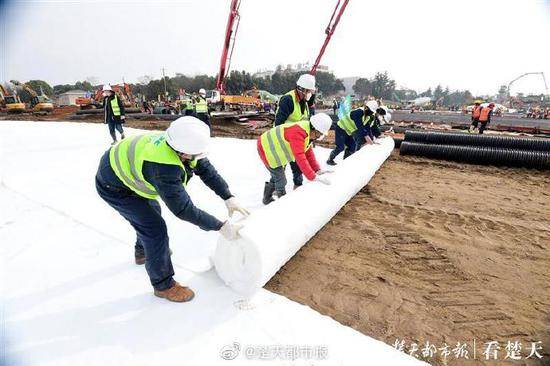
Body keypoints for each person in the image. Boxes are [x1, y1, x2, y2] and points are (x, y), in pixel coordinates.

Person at [95, 116, 248, 302]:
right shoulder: (163, 168)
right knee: (154, 228)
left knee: (150, 215)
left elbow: (206, 169)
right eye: (196, 155)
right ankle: (163, 285)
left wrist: (228, 197)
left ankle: (143, 252)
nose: (199, 158)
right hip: (115, 186)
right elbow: (183, 209)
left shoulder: (181, 143)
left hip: (129, 171)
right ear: (183, 153)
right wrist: (220, 226)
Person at [258, 113, 333, 204]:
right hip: (267, 150)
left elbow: (308, 152)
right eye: (319, 134)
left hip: (274, 149)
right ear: (314, 128)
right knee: (281, 180)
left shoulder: (306, 130)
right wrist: (312, 176)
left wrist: (317, 169)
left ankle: (266, 199)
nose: (318, 137)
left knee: (276, 177)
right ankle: (282, 203)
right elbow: (300, 157)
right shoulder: (298, 132)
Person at [274, 73, 316, 189]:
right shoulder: (288, 100)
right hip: (283, 139)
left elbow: (306, 121)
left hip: (297, 140)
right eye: (308, 92)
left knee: (298, 168)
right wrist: (280, 141)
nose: (310, 95)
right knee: (279, 169)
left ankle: (297, 190)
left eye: (311, 92)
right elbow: (278, 123)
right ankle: (271, 191)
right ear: (301, 89)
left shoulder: (305, 102)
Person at [326, 100, 378, 165]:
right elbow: (360, 126)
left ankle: (345, 162)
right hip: (341, 129)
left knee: (352, 147)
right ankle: (330, 159)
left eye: (372, 112)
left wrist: (372, 138)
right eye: (370, 111)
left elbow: (367, 128)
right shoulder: (358, 112)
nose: (370, 113)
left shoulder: (367, 117)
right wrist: (367, 137)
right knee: (340, 147)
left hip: (348, 132)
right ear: (366, 107)